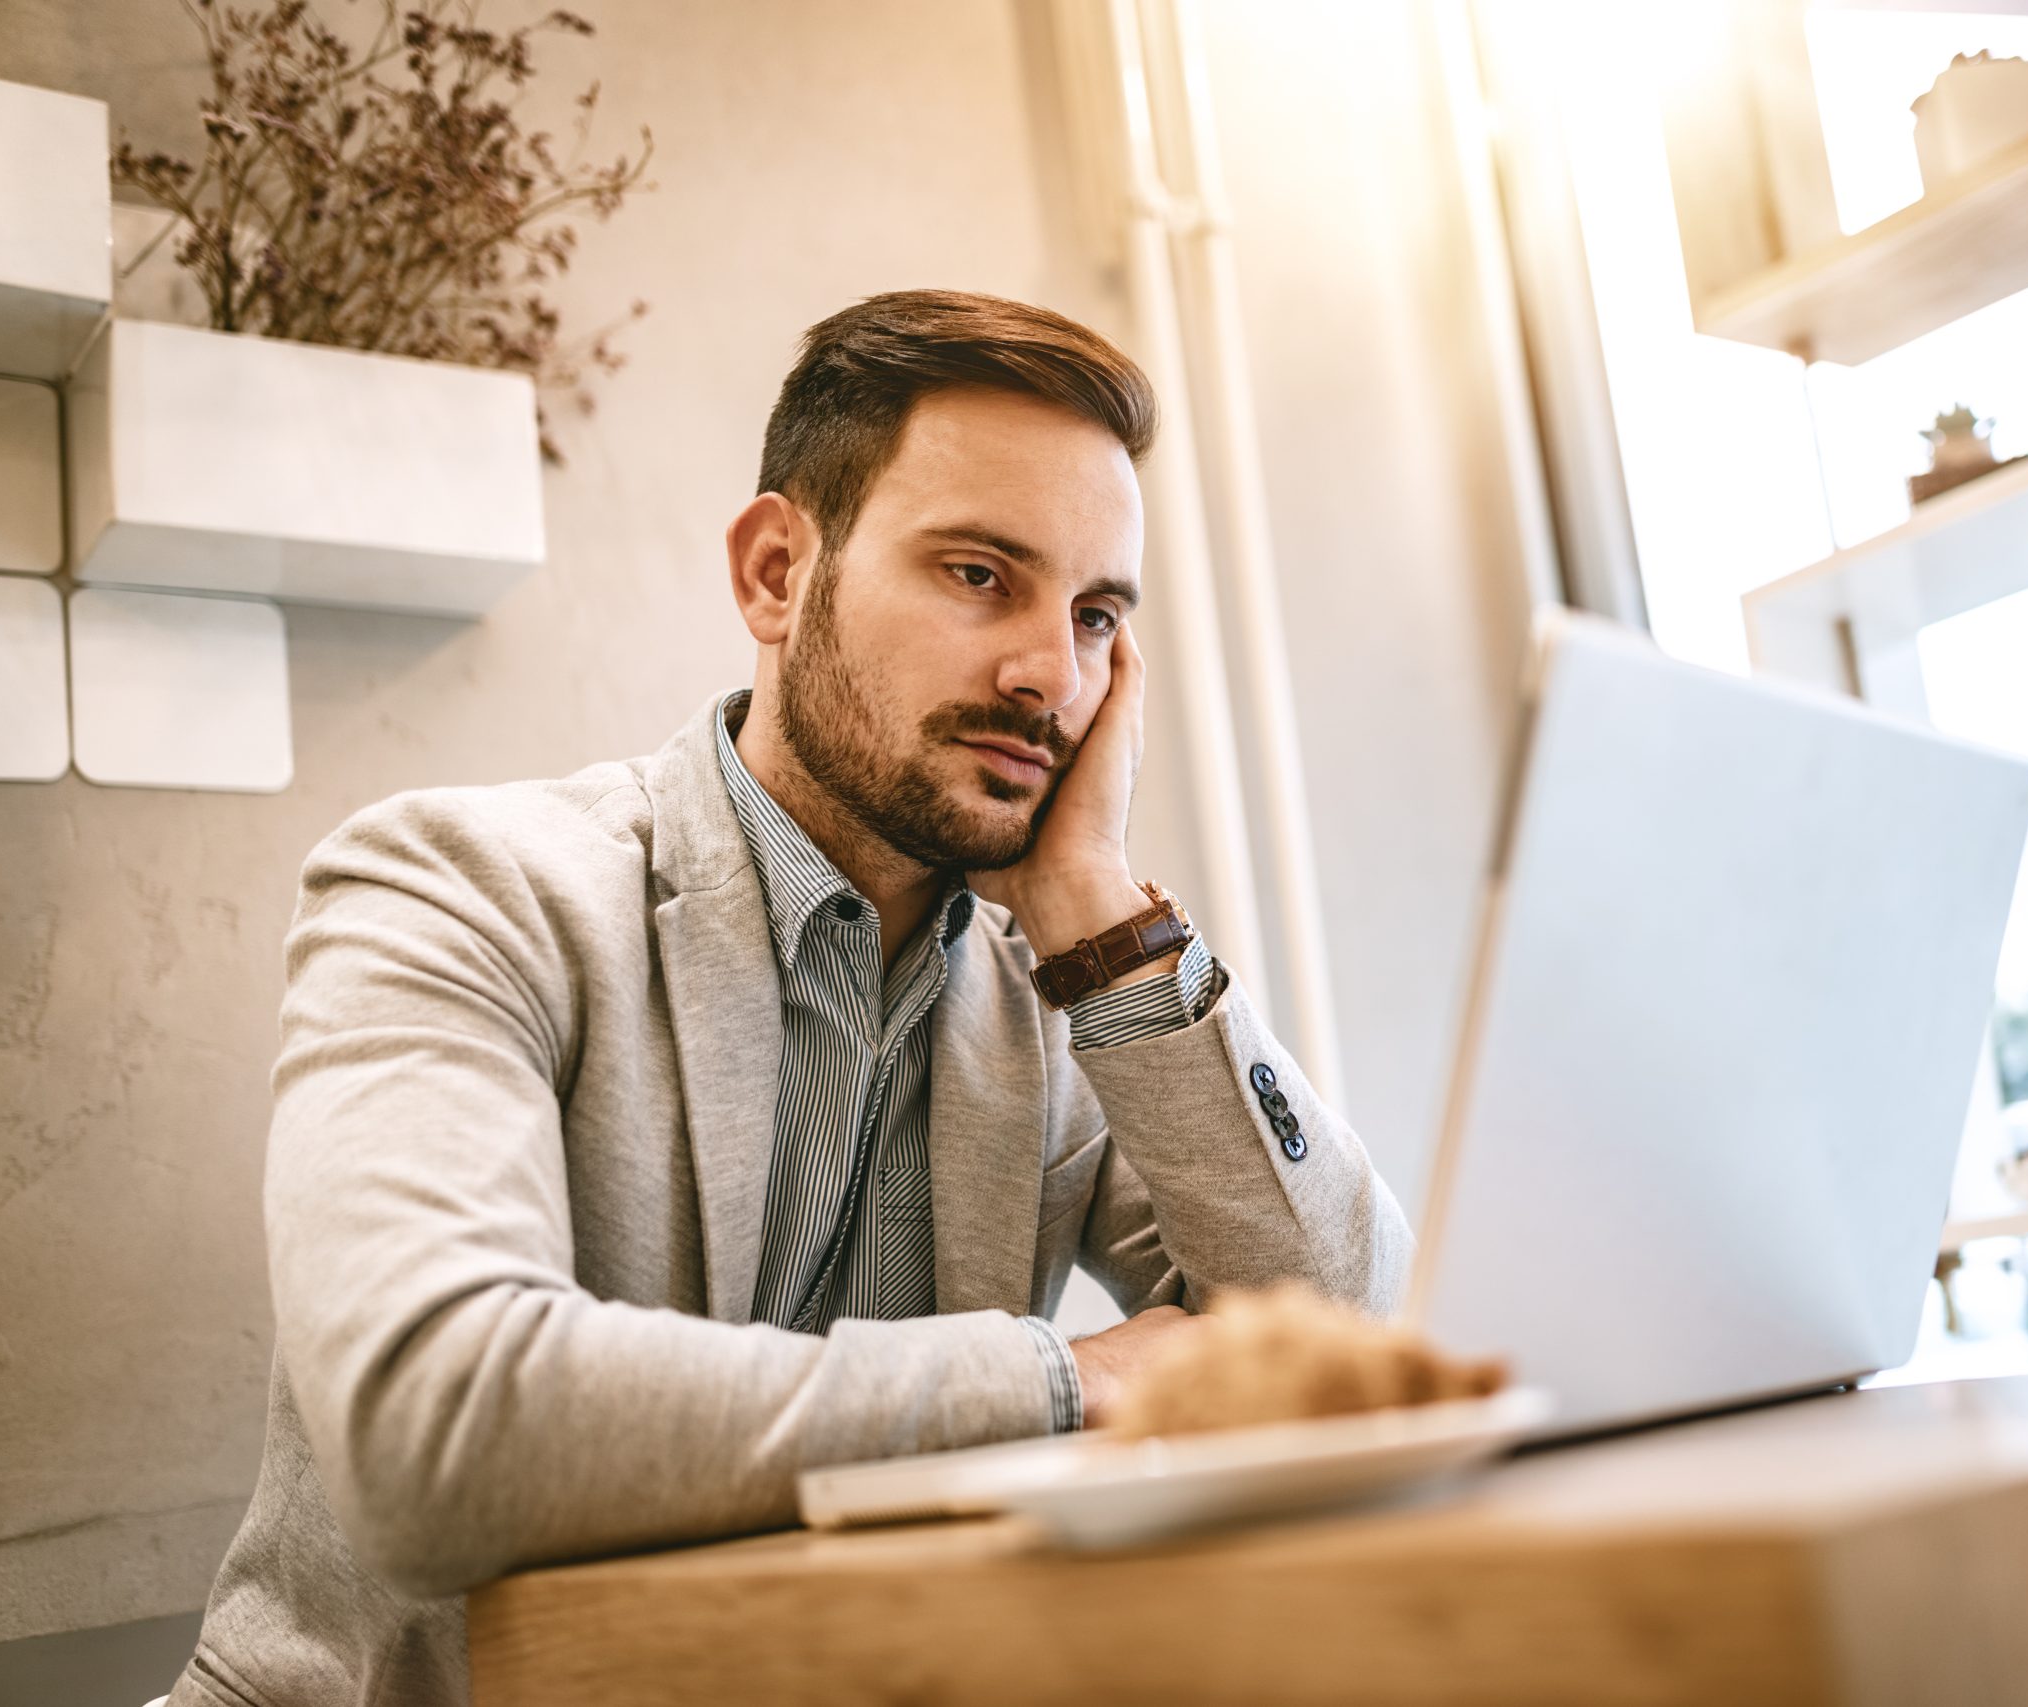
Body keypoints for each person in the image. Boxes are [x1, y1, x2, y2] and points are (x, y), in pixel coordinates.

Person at [169, 290, 1411, 1707]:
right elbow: (434, 1435)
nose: (1046, 674)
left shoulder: (1059, 1005)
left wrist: (1100, 918)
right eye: (977, 575)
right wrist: (1071, 1383)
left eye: (1095, 615)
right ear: (775, 571)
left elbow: (1343, 1337)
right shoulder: (458, 885)